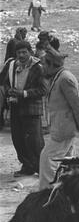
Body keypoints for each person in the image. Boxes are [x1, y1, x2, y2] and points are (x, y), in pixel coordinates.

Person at [39, 48, 79, 189]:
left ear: (53, 65)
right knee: (70, 163)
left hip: (63, 130)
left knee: (47, 159)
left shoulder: (65, 78)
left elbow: (78, 105)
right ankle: (72, 190)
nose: (43, 68)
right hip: (62, 128)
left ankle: (47, 193)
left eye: (45, 65)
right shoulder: (59, 76)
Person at [0, 41, 46, 177]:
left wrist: (24, 93)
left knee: (34, 141)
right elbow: (5, 82)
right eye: (19, 52)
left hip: (32, 109)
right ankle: (27, 166)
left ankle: (41, 168)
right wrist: (9, 91)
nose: (21, 55)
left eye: (24, 52)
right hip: (15, 108)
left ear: (30, 52)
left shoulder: (38, 67)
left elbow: (43, 89)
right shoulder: (12, 65)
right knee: (18, 139)